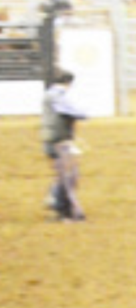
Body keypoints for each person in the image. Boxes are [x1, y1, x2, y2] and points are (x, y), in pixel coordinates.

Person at [40, 69, 88, 222]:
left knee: (64, 175)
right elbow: (77, 113)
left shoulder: (50, 95)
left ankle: (55, 200)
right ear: (68, 83)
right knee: (68, 177)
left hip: (52, 140)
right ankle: (69, 211)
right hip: (59, 141)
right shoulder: (58, 96)